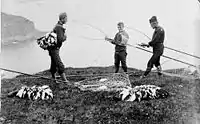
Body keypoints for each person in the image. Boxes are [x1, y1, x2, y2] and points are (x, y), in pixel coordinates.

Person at [47, 12, 69, 83]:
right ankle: (65, 81)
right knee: (60, 65)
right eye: (66, 18)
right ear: (63, 19)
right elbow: (60, 39)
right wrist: (65, 37)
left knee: (53, 64)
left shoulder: (58, 25)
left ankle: (54, 79)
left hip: (52, 48)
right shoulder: (59, 27)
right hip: (54, 49)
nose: (67, 19)